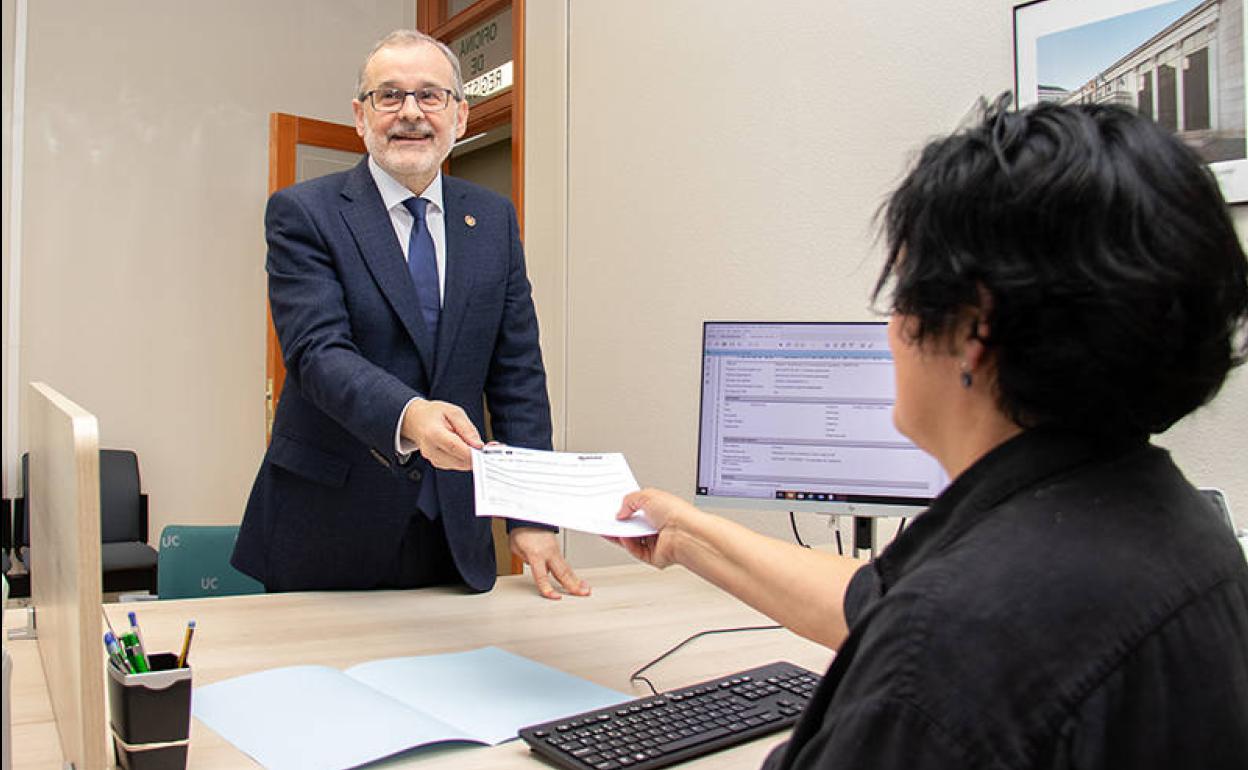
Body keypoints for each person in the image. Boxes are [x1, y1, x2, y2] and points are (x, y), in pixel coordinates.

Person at [613, 97, 1248, 768]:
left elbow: (931, 631)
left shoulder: (953, 642)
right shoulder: (1185, 532)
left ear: (974, 328)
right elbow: (873, 601)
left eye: (902, 294)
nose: (891, 330)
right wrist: (685, 531)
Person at [233, 30, 588, 600]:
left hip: (452, 529)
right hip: (329, 526)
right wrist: (411, 415)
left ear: (461, 115)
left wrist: (531, 516)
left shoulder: (493, 219)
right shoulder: (305, 212)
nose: (411, 114)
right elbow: (317, 354)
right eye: (389, 96)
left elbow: (517, 373)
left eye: (431, 95)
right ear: (359, 115)